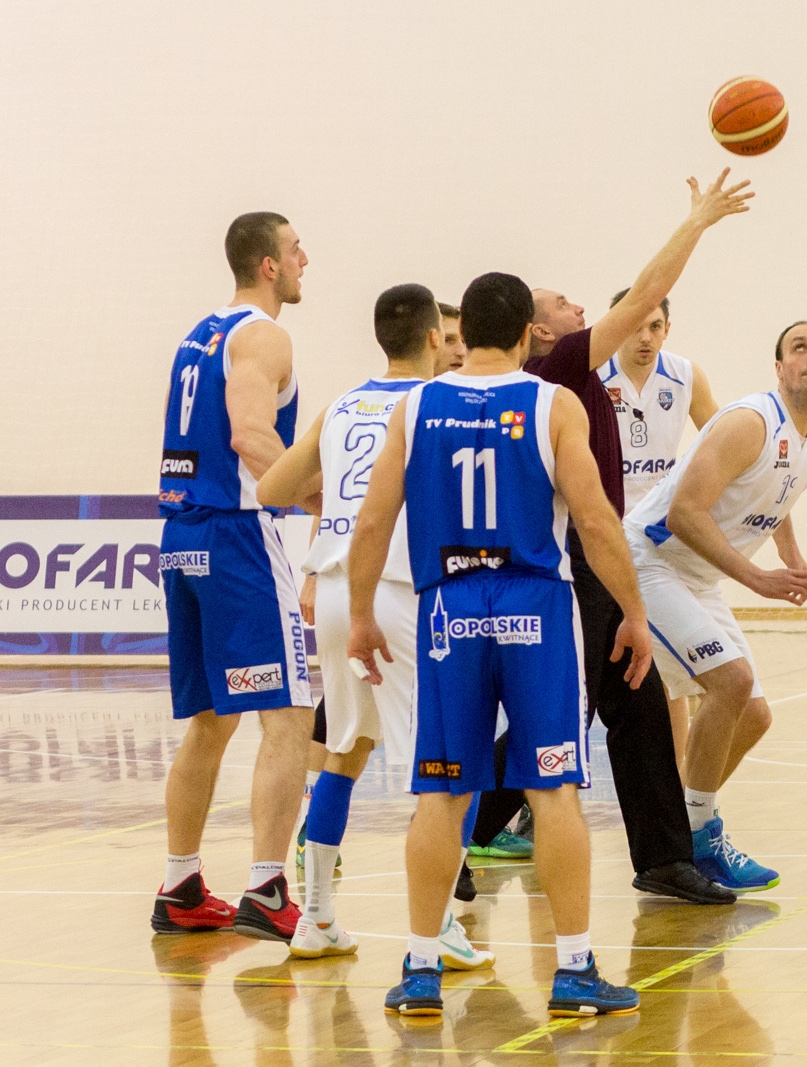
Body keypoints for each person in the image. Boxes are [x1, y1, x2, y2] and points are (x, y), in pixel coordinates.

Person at [347, 272, 643, 1018]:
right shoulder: (552, 403)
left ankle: (421, 967)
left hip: (448, 607)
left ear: (464, 331)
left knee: (441, 792)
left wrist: (361, 614)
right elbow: (595, 520)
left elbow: (373, 520)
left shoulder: (416, 406)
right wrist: (635, 612)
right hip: (533, 604)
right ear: (522, 335)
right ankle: (573, 968)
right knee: (554, 788)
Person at [479, 169, 752, 907]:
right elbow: (643, 295)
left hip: (592, 555)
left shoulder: (574, 370)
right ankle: (468, 823)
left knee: (634, 703)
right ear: (539, 330)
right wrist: (697, 222)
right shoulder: (559, 363)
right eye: (563, 304)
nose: (579, 307)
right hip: (573, 557)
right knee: (574, 708)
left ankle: (663, 857)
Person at [256, 284, 490, 969]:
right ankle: (439, 923)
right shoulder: (438, 404)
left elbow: (271, 489)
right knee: (455, 763)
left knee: (345, 750)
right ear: (432, 338)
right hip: (396, 592)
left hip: (333, 590)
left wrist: (336, 503)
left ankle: (317, 919)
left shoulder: (341, 405)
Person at [624, 320, 807, 892]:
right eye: (799, 348)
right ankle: (696, 837)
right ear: (779, 367)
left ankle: (681, 831)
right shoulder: (750, 421)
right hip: (650, 561)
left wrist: (791, 555)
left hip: (698, 576)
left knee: (754, 714)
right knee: (731, 682)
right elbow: (683, 514)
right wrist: (757, 577)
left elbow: (779, 494)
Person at [151, 212, 315, 942]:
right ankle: (268, 888)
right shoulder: (264, 334)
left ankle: (180, 883)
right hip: (237, 533)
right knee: (290, 714)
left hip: (182, 534)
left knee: (212, 721)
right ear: (269, 264)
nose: (306, 258)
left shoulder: (200, 333)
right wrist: (319, 498)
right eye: (295, 248)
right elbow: (250, 435)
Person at [601, 287, 720, 774]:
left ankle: (678, 787)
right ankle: (534, 789)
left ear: (667, 329)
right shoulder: (591, 376)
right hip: (601, 539)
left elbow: (724, 444)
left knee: (674, 673)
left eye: (655, 327)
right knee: (585, 672)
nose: (645, 337)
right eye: (635, 326)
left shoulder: (686, 375)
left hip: (659, 543)